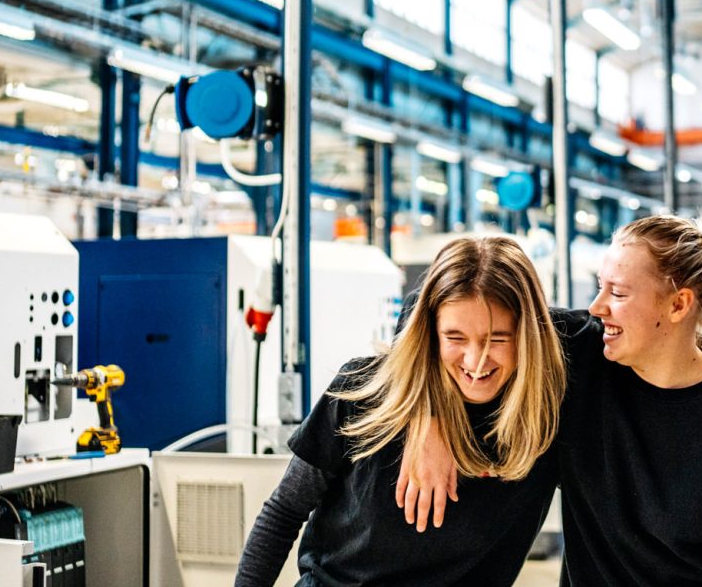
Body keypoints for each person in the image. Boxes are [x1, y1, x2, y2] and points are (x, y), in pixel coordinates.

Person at [402, 204, 702, 586]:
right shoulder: (580, 355)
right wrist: (429, 417)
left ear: (678, 305)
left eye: (618, 293)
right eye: (600, 287)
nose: (597, 306)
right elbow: (424, 312)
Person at [234, 236, 568, 587]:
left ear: (528, 334)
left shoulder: (547, 417)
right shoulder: (364, 390)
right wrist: (428, 411)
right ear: (431, 332)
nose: (476, 360)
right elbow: (284, 511)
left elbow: (584, 324)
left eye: (498, 338)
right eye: (455, 338)